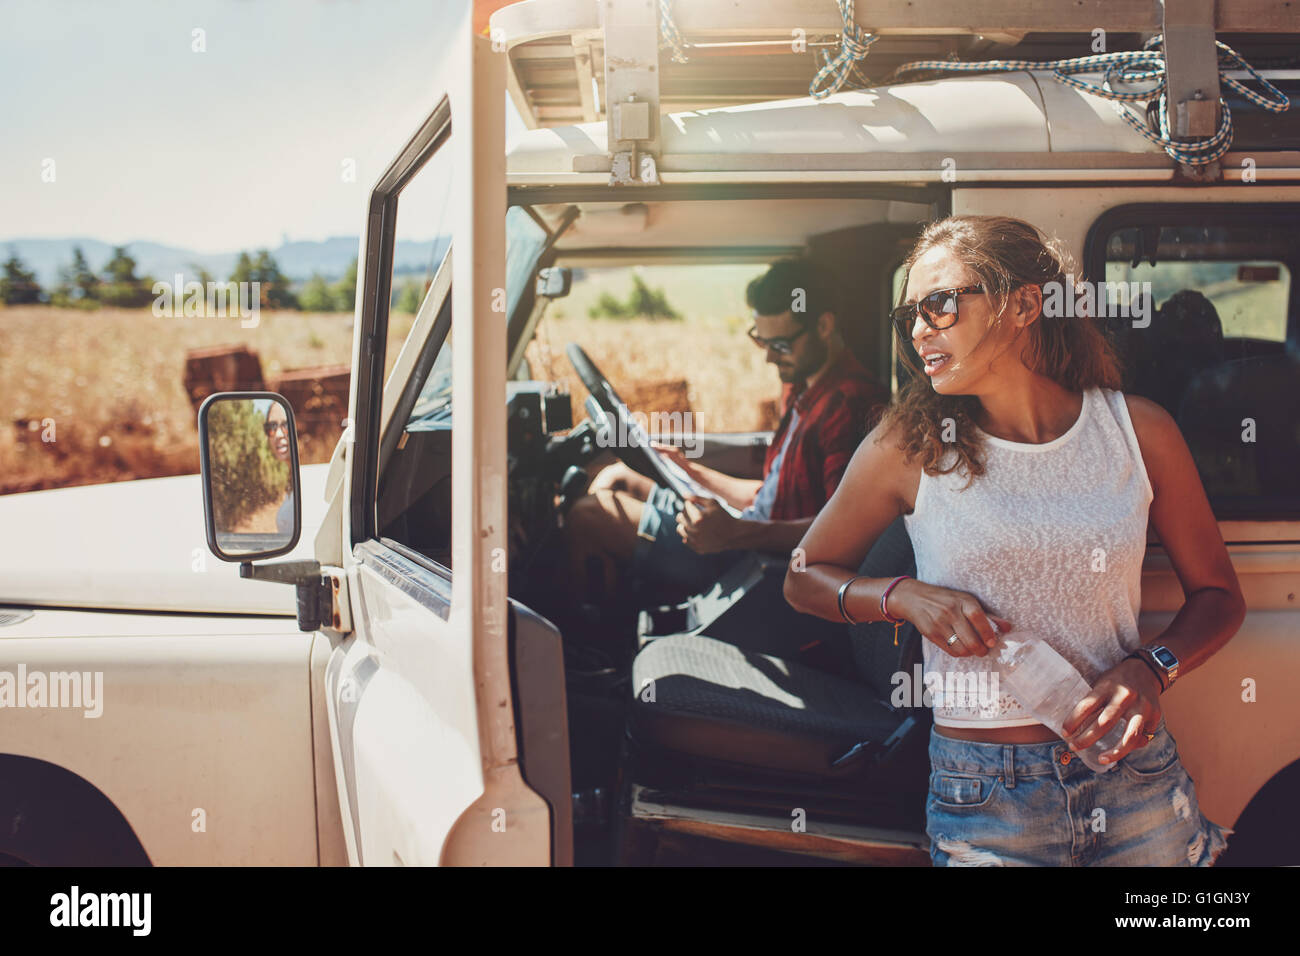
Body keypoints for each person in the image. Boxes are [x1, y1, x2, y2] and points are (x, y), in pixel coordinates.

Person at [784, 215, 1243, 866]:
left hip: (1134, 778)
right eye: (909, 315)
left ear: (1025, 303)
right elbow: (803, 576)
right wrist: (902, 597)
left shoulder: (1138, 432)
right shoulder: (908, 448)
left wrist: (1151, 667)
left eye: (939, 305)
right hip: (985, 792)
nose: (919, 330)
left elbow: (1220, 595)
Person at [564, 257, 889, 605]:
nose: (769, 359)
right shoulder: (803, 389)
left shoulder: (849, 404)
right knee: (616, 476)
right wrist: (690, 471)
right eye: (761, 342)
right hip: (748, 533)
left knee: (589, 516)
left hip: (761, 562)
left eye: (779, 346)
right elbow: (769, 498)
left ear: (824, 326)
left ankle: (591, 646)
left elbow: (839, 530)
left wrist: (735, 533)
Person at [263, 402, 295, 537]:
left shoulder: (315, 479)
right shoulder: (292, 479)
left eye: (286, 425)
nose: (278, 434)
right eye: (272, 427)